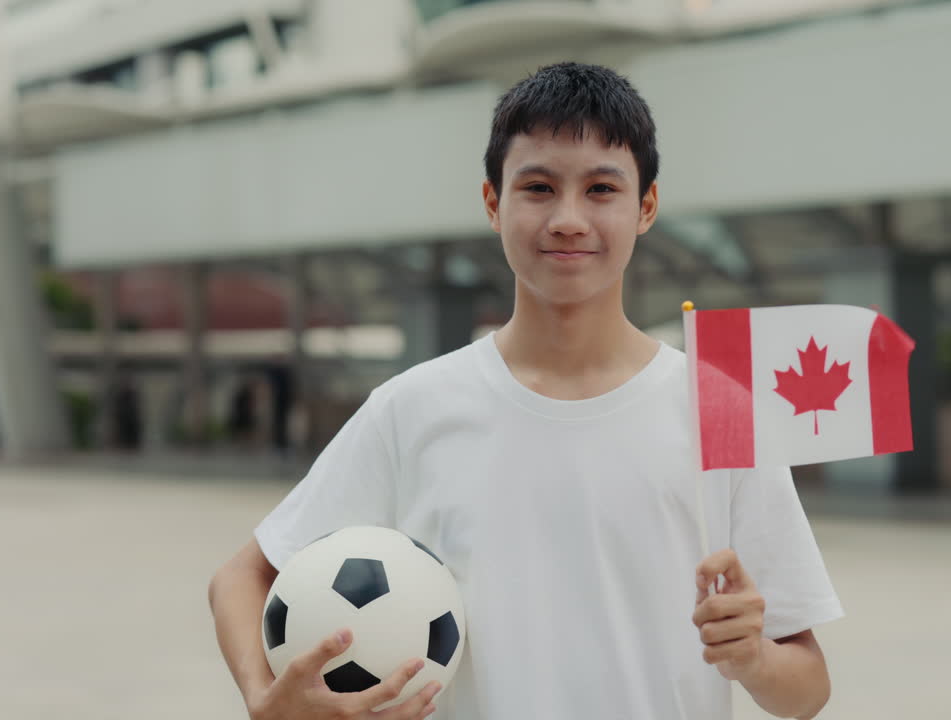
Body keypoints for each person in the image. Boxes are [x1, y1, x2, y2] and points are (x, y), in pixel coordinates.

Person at [208, 62, 842, 720]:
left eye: (602, 189)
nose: (569, 219)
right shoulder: (415, 407)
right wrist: (267, 699)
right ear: (493, 202)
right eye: (538, 187)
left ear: (646, 207)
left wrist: (754, 659)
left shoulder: (721, 409)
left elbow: (808, 687)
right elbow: (242, 577)